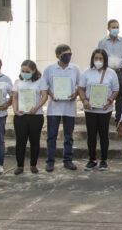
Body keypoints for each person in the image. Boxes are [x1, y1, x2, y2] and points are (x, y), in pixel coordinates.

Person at [78, 48, 120, 171]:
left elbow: (116, 90)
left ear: (105, 59)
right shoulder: (87, 72)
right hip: (90, 109)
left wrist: (110, 100)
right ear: (92, 59)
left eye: (101, 58)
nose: (98, 60)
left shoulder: (111, 73)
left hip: (104, 110)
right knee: (91, 135)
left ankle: (103, 160)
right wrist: (84, 100)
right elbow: (81, 88)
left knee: (103, 135)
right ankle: (92, 160)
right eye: (96, 58)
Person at [42, 44, 81, 172]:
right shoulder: (49, 69)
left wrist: (75, 94)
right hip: (54, 108)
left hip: (69, 108)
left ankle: (68, 160)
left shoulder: (75, 69)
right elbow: (44, 86)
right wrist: (51, 94)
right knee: (52, 136)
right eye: (65, 54)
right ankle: (50, 161)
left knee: (68, 136)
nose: (68, 56)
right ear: (58, 55)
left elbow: (79, 86)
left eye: (70, 54)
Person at [11, 60, 48, 175]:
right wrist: (15, 110)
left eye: (27, 71)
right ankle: (20, 166)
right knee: (20, 141)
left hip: (35, 116)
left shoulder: (40, 81)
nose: (25, 73)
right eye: (23, 71)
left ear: (34, 70)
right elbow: (15, 98)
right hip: (21, 116)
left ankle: (33, 165)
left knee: (34, 141)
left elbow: (44, 96)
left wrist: (36, 107)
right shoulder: (18, 82)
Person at [98, 19, 122, 123]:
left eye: (117, 27)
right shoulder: (102, 42)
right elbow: (99, 57)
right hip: (106, 72)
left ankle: (119, 119)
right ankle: (104, 116)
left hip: (120, 72)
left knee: (120, 95)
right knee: (106, 93)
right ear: (108, 28)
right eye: (113, 27)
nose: (115, 29)